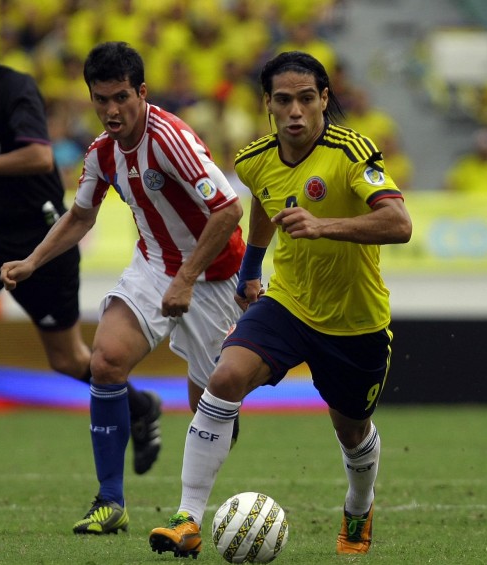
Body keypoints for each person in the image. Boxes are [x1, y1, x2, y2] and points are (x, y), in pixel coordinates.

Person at [148, 50, 412, 559]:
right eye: (285, 100)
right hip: (287, 302)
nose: (296, 111)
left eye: (307, 100)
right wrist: (251, 272)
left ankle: (359, 505)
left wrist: (323, 225)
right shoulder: (253, 159)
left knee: (352, 431)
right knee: (224, 378)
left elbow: (399, 223)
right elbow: (266, 202)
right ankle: (186, 519)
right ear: (267, 103)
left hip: (355, 320)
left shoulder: (351, 151)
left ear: (324, 100)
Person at [0, 41, 245, 535]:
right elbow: (80, 216)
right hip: (154, 265)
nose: (111, 110)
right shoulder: (101, 153)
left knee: (214, 410)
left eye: (121, 98)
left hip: (213, 276)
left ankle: (190, 507)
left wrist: (187, 278)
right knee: (105, 361)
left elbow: (229, 210)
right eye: (100, 99)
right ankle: (110, 501)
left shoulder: (172, 138)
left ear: (143, 93)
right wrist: (32, 261)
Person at [0, 6, 162, 473]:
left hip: (42, 236)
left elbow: (36, 155)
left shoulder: (15, 89)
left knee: (67, 359)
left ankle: (140, 407)